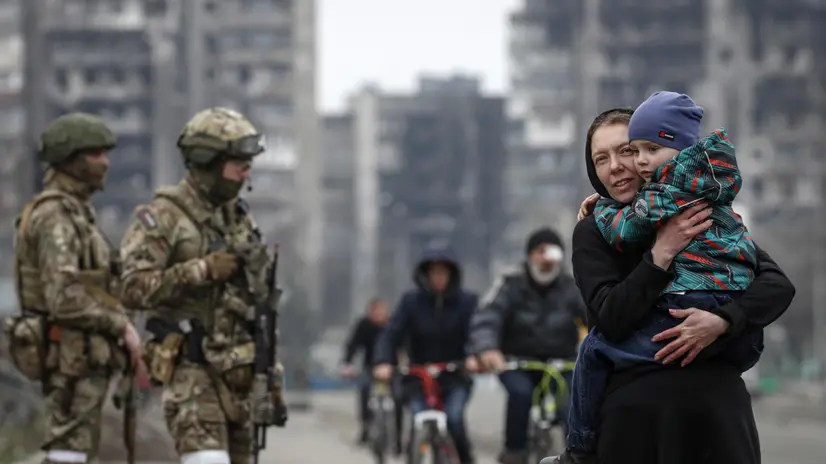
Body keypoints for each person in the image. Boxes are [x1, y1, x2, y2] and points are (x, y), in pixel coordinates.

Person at [545, 107, 795, 464]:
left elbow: (776, 284)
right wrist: (659, 255)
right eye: (601, 159)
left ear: (653, 151)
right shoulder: (594, 230)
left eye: (626, 151)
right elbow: (610, 319)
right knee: (591, 350)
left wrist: (724, 320)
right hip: (636, 418)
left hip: (717, 412)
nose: (614, 166)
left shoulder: (696, 208)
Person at [119, 107, 286, 464]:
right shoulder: (163, 217)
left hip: (239, 377)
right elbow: (131, 287)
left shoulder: (237, 218)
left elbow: (256, 302)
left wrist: (270, 371)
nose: (247, 170)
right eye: (238, 162)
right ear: (208, 160)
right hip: (192, 373)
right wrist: (201, 270)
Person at [3, 113, 146, 464]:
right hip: (69, 360)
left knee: (76, 449)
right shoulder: (55, 217)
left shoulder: (79, 213)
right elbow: (63, 297)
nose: (106, 163)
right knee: (69, 451)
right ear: (71, 159)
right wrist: (120, 327)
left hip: (83, 358)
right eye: (96, 154)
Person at [469, 227, 587, 464]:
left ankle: (579, 456)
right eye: (539, 252)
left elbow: (595, 317)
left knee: (571, 404)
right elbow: (487, 318)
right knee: (520, 395)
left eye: (551, 254)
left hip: (561, 362)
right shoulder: (509, 283)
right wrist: (486, 349)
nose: (545, 260)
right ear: (529, 255)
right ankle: (514, 452)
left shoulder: (571, 286)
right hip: (516, 362)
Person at [373, 247, 479, 464]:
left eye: (443, 272)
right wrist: (383, 361)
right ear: (425, 275)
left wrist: (474, 357)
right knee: (417, 421)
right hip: (418, 376)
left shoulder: (467, 302)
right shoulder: (410, 302)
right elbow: (391, 334)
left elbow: (478, 333)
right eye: (434, 272)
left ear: (452, 274)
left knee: (455, 419)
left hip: (454, 375)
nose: (439, 277)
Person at [340, 297, 402, 451]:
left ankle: (399, 438)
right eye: (376, 311)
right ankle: (366, 427)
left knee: (399, 397)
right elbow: (353, 345)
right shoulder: (364, 325)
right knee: (365, 390)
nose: (380, 314)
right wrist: (347, 364)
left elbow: (406, 344)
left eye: (383, 310)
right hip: (371, 368)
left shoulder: (395, 325)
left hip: (393, 368)